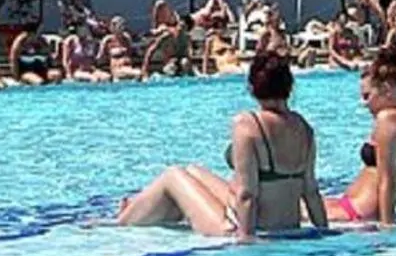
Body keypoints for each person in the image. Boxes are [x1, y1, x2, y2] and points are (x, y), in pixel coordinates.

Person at [116, 49, 329, 240]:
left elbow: (247, 194)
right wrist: (324, 231)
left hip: (243, 227)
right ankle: (137, 207)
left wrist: (245, 238)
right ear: (289, 87)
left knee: (174, 175)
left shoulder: (247, 125)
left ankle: (124, 219)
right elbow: (311, 191)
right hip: (287, 226)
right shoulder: (304, 129)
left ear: (252, 87)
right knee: (193, 171)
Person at [324, 47, 396, 228]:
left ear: (387, 89)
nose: (364, 104)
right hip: (354, 205)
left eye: (367, 96)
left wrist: (387, 226)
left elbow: (387, 179)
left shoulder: (388, 119)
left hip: (359, 210)